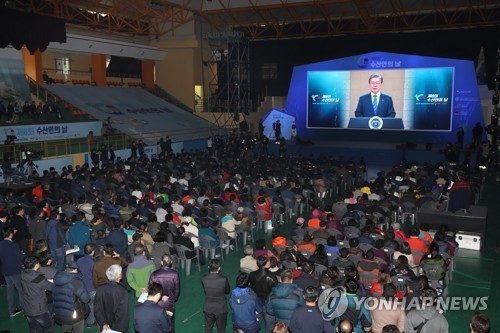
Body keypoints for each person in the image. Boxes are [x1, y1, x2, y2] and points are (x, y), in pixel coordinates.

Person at [52, 262, 90, 333]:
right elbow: (86, 298)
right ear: (75, 270)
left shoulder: (56, 279)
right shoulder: (75, 282)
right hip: (75, 315)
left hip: (61, 313)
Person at [21, 255, 54, 333]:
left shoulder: (23, 274)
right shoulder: (38, 278)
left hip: (28, 307)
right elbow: (51, 287)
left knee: (34, 329)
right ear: (36, 265)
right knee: (48, 327)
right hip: (39, 309)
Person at [149, 254, 180, 332]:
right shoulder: (175, 274)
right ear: (171, 262)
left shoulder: (154, 274)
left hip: (157, 303)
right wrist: (173, 299)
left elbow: (150, 289)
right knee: (170, 324)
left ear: (161, 262)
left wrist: (160, 297)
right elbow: (177, 290)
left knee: (158, 324)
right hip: (170, 304)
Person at [94, 264, 129, 333]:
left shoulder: (100, 289)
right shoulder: (122, 291)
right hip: (118, 327)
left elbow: (97, 308)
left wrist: (103, 323)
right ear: (119, 276)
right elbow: (123, 314)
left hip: (104, 326)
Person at [0, 226, 24, 317]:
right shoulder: (14, 245)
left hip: (5, 270)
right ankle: (24, 308)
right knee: (20, 289)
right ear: (11, 234)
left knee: (9, 290)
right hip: (15, 270)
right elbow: (20, 258)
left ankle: (12, 310)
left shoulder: (1, 244)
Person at [201, 259, 230, 333]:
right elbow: (227, 291)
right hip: (221, 308)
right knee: (221, 329)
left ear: (208, 267)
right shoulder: (223, 279)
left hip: (208, 307)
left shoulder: (204, 278)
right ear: (219, 268)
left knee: (208, 328)